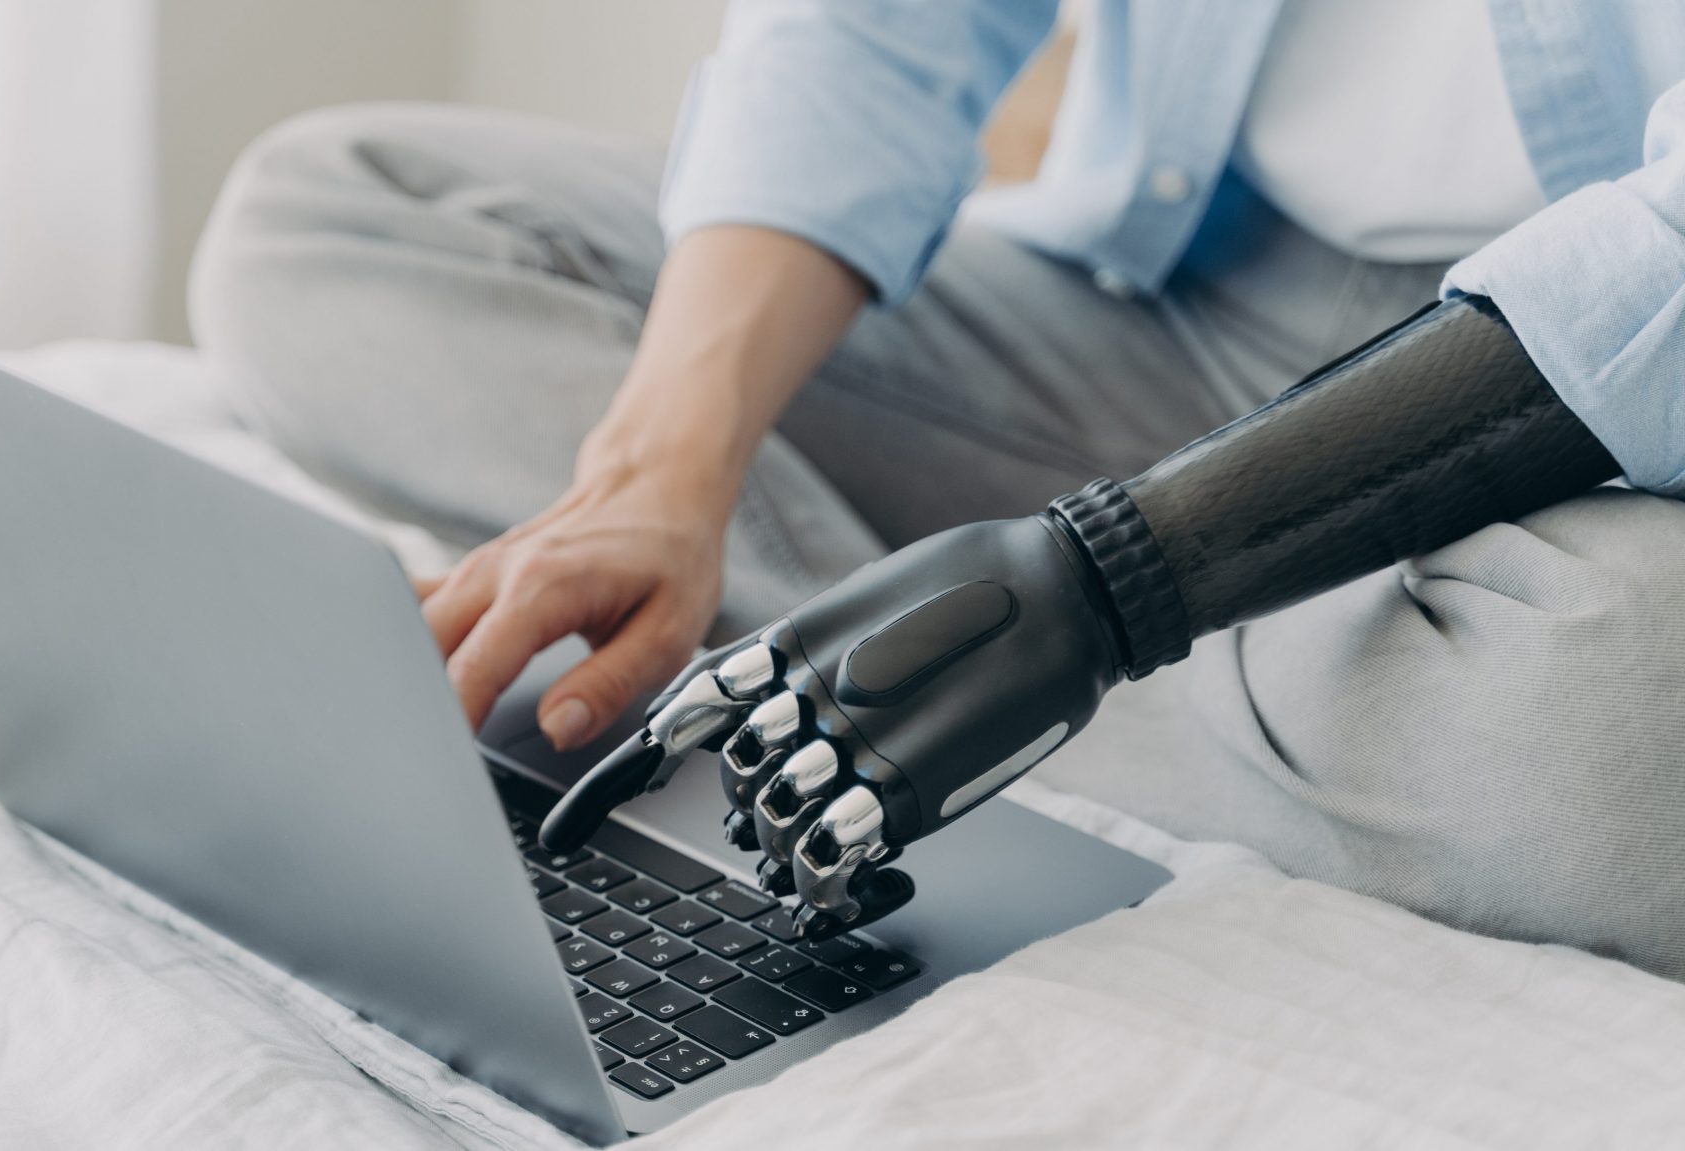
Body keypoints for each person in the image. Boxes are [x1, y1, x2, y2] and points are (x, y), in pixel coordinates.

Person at [190, 1, 1685, 976]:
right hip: (1177, 299)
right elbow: (875, 30)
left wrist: (1119, 579)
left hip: (1607, 411)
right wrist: (659, 465)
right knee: (343, 213)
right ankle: (874, 669)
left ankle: (970, 666)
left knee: (1636, 736)